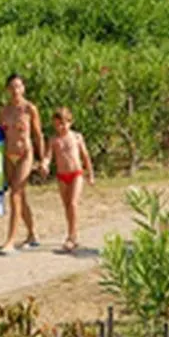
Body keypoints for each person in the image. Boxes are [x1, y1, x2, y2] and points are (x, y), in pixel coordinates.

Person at [0, 73, 45, 255]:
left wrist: (43, 160)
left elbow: (38, 135)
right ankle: (32, 234)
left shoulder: (29, 109)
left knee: (15, 194)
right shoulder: (4, 110)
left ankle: (10, 241)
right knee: (20, 197)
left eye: (19, 86)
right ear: (7, 89)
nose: (16, 90)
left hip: (25, 154)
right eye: (12, 87)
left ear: (23, 88)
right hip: (9, 155)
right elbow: (1, 133)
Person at [42, 106, 94, 252]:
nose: (61, 127)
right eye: (57, 124)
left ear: (70, 122)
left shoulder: (76, 137)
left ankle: (72, 236)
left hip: (76, 173)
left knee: (72, 204)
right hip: (62, 176)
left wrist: (90, 174)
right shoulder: (53, 140)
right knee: (67, 206)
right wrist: (45, 164)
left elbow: (85, 156)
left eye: (63, 123)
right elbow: (48, 156)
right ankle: (72, 232)